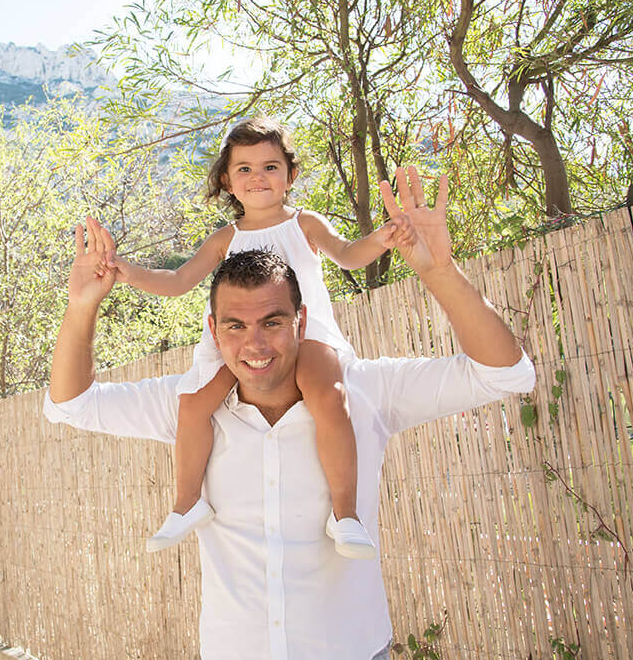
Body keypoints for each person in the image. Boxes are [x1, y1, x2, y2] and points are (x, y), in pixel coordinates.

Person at [44, 167, 535, 660]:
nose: (254, 343)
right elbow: (71, 403)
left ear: (301, 320)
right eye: (235, 325)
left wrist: (439, 271)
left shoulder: (361, 392)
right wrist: (82, 306)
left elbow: (505, 374)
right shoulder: (189, 404)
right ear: (213, 332)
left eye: (272, 321)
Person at [96, 117, 407, 557]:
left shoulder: (305, 224)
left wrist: (384, 237)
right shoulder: (225, 238)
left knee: (329, 395)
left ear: (290, 175)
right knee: (193, 401)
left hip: (306, 332)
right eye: (244, 168)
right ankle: (188, 502)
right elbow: (179, 280)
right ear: (226, 179)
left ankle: (346, 514)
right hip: (240, 340)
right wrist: (127, 272)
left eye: (269, 167)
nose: (257, 177)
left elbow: (349, 255)